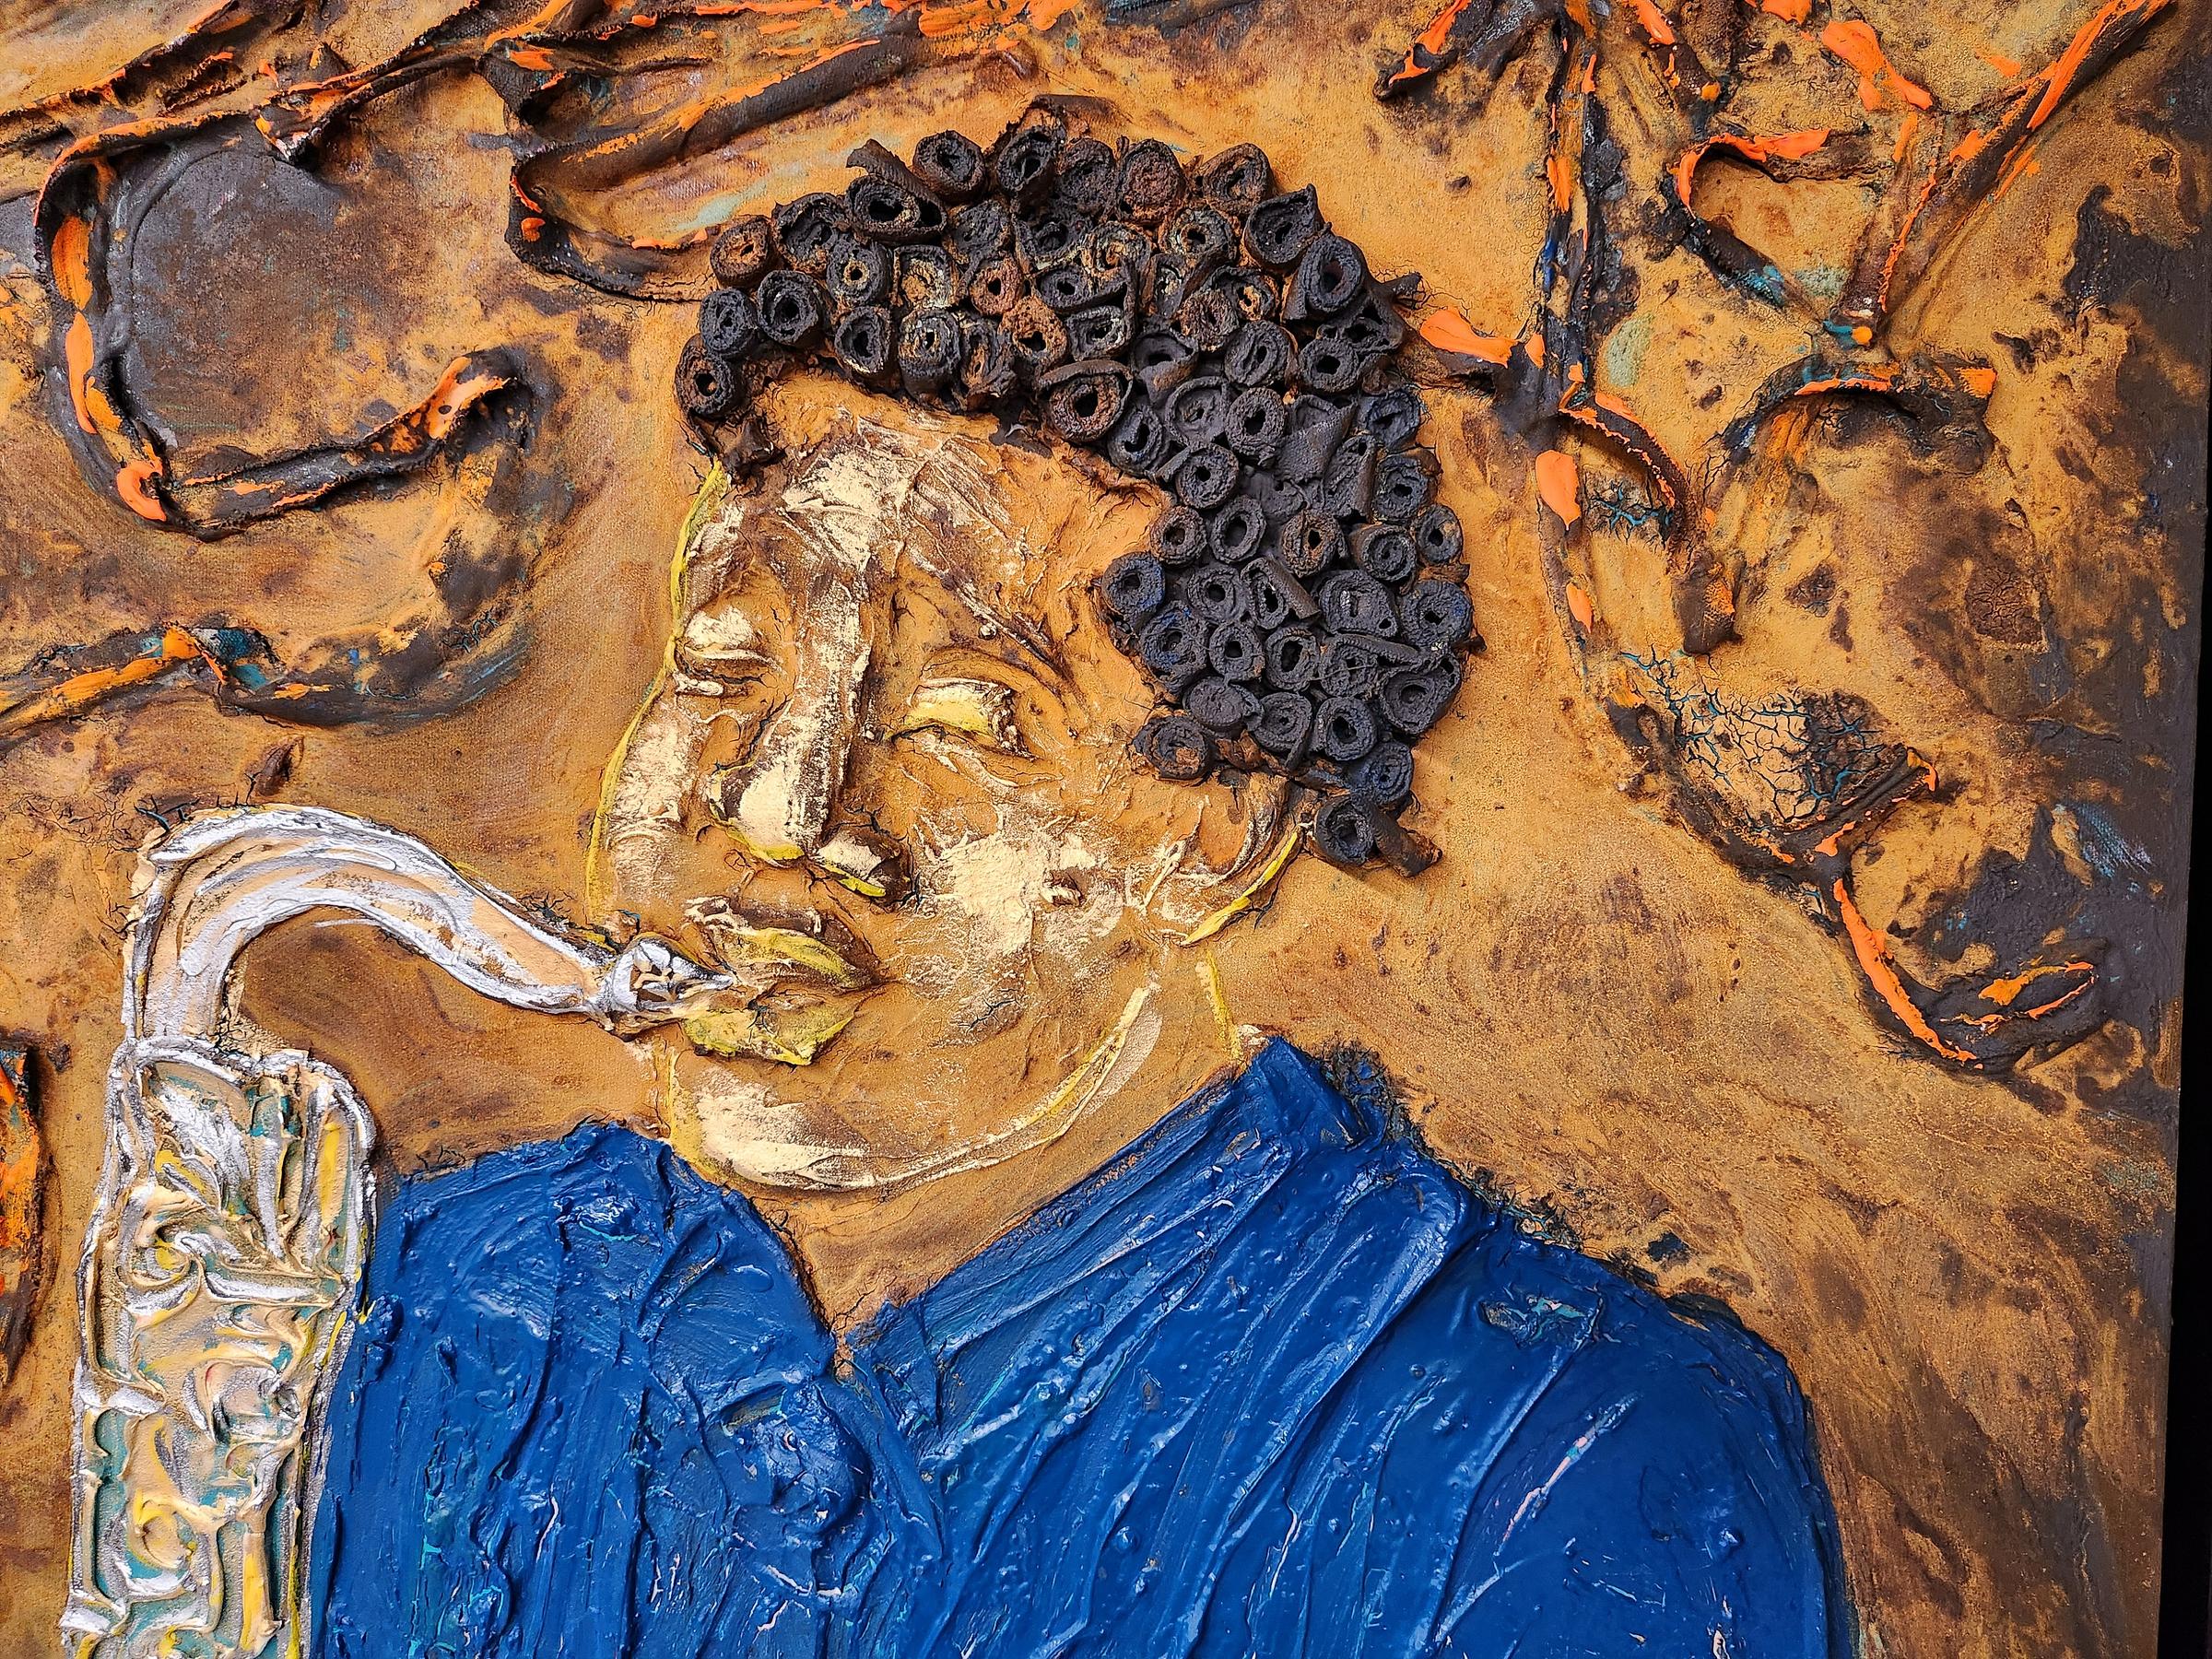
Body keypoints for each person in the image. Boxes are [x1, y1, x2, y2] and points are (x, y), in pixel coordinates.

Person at [219, 113, 1852, 1656]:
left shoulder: (1561, 1462)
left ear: (1220, 835)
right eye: (719, 667)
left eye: (963, 717)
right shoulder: (460, 1290)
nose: (779, 810)